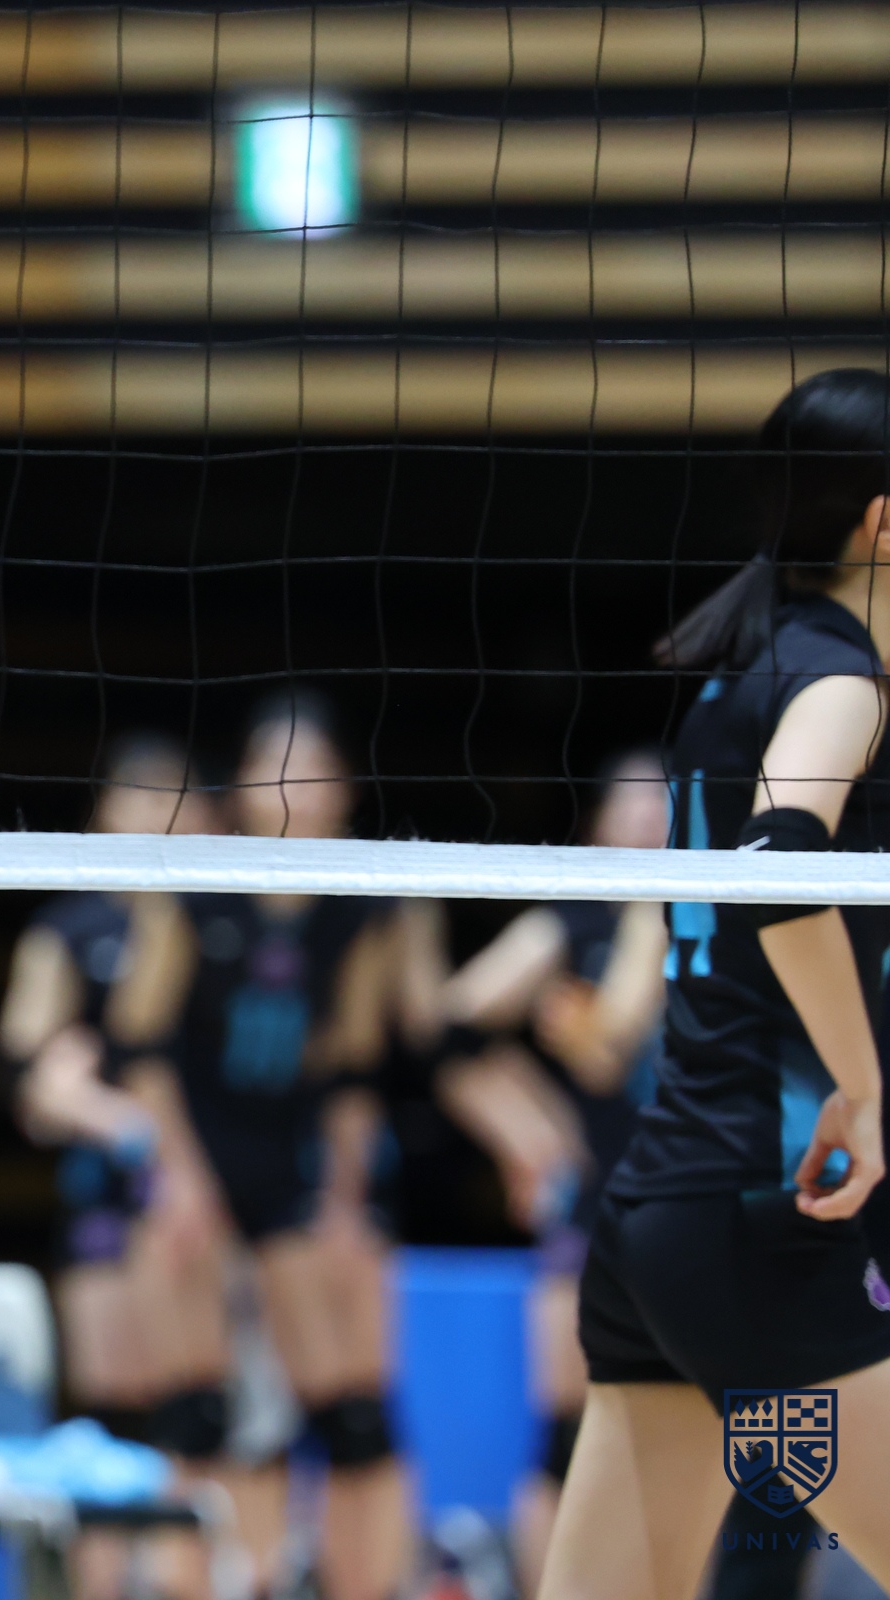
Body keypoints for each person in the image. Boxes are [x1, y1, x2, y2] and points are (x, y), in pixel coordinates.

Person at [542, 369, 890, 1597]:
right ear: (885, 522)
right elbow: (776, 869)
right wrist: (864, 1087)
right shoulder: (837, 681)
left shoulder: (740, 672)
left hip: (669, 1230)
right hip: (764, 1227)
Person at [99, 696, 411, 1600]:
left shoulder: (358, 909)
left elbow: (353, 1071)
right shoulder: (194, 886)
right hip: (190, 1159)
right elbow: (137, 1050)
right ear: (243, 783)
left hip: (288, 1172)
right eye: (278, 767)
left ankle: (344, 1583)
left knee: (352, 1417)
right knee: (195, 1409)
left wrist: (346, 1200)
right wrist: (179, 1179)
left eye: (315, 771)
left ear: (345, 789)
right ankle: (188, 1587)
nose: (295, 789)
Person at [0, 733, 239, 1598]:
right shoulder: (70, 929)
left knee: (198, 1411)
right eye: (142, 797)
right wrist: (120, 1124)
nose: (161, 817)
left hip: (215, 1191)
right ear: (106, 811)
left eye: (177, 801)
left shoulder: (223, 924)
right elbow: (28, 1077)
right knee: (113, 1420)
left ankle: (196, 1583)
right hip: (111, 1195)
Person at [436, 752, 668, 1596]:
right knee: (568, 1433)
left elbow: (610, 1046)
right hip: (595, 1202)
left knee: (686, 1428)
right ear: (597, 822)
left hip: (696, 1200)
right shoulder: (576, 918)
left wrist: (586, 1032)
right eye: (628, 802)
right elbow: (451, 1029)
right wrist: (529, 1130)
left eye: (661, 802)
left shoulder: (723, 911)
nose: (645, 818)